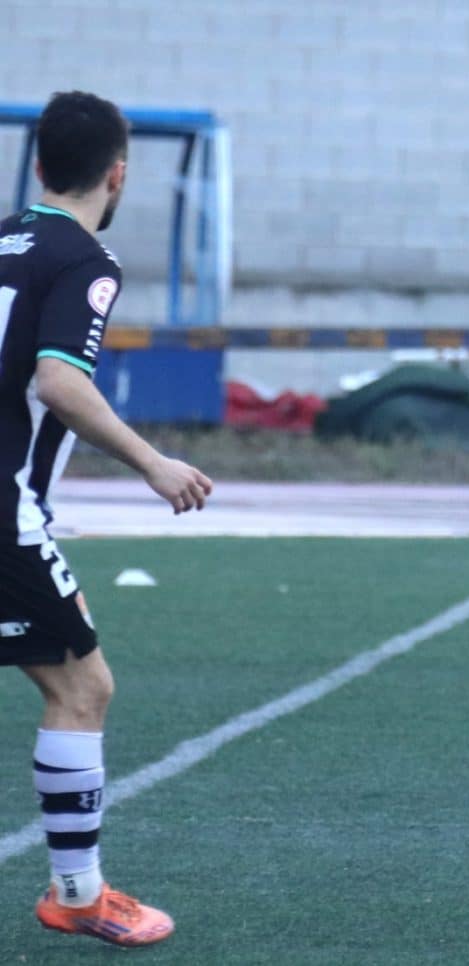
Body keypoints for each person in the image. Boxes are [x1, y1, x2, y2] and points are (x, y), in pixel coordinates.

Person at [0, 91, 213, 947]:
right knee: (82, 690)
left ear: (40, 165)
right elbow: (60, 380)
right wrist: (154, 462)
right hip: (4, 512)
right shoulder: (84, 259)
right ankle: (78, 893)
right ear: (118, 175)